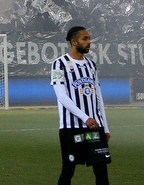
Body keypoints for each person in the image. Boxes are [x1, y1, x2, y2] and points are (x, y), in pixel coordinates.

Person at [51, 26, 111, 185]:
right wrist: (85, 118)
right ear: (73, 41)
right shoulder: (59, 64)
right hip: (72, 128)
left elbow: (98, 96)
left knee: (101, 168)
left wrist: (105, 127)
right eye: (85, 38)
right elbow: (61, 96)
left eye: (89, 38)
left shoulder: (91, 65)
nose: (89, 42)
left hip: (93, 129)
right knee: (68, 169)